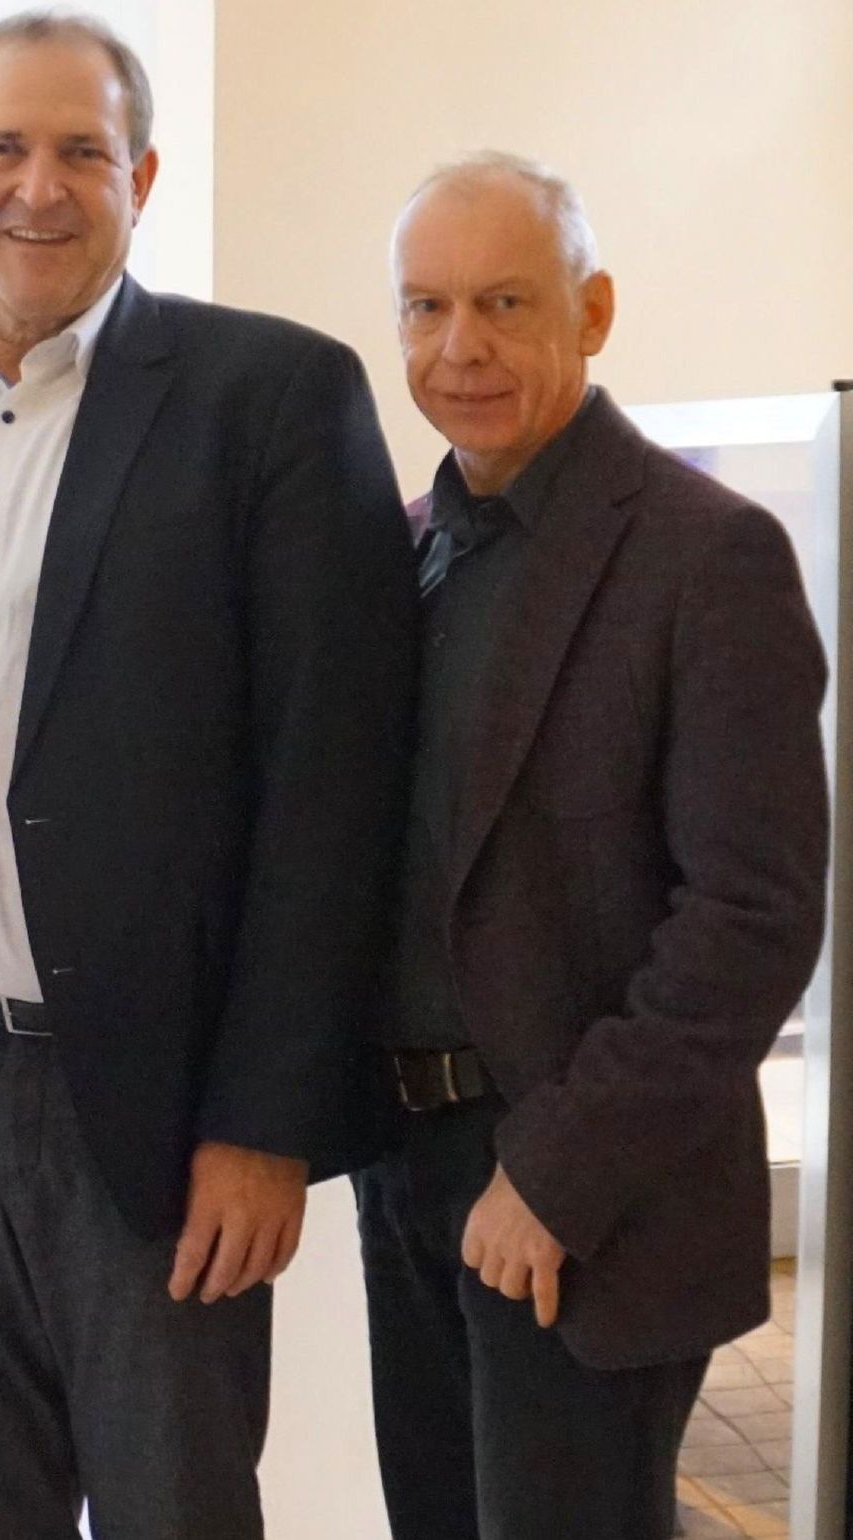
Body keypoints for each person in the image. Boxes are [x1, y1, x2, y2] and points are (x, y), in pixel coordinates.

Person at [0, 12, 417, 1537]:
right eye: (3, 147)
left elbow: (332, 787)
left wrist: (266, 1117)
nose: (37, 188)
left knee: (178, 1509)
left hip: (165, 1108)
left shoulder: (271, 398)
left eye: (80, 152)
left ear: (143, 175)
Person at [358, 151, 828, 1540]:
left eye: (505, 302)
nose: (462, 348)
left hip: (586, 1204)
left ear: (595, 309)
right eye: (426, 307)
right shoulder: (397, 551)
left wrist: (551, 1177)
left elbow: (752, 921)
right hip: (407, 1170)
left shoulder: (708, 556)